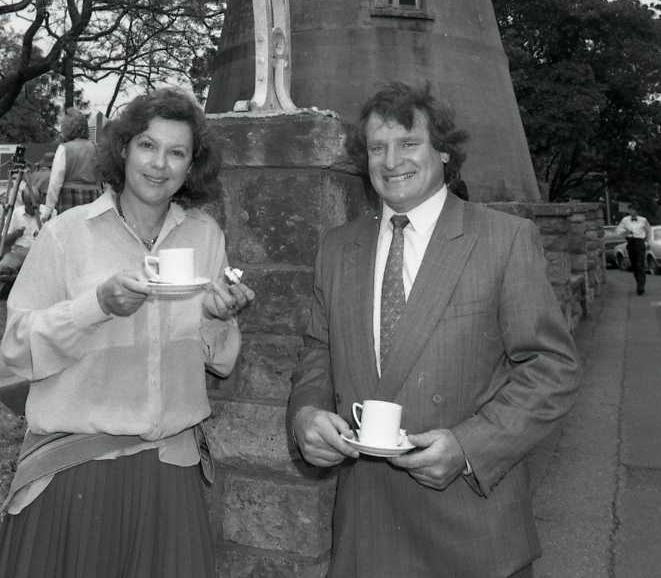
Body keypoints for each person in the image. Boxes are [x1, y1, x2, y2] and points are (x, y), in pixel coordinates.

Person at [288, 81, 580, 578]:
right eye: (377, 147)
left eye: (408, 143)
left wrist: (470, 447)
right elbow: (320, 350)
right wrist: (306, 415)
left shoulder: (503, 240)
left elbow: (551, 369)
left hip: (471, 529)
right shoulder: (337, 248)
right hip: (366, 532)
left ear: (443, 151)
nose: (391, 160)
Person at [0, 87, 254, 578]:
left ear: (191, 165)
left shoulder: (205, 237)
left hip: (169, 472)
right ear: (123, 149)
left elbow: (219, 360)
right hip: (77, 471)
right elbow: (13, 351)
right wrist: (96, 306)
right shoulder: (67, 235)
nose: (159, 164)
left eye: (176, 152)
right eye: (147, 146)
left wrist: (217, 318)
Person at [40, 108, 101, 218]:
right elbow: (101, 178)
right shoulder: (95, 148)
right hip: (93, 198)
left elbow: (55, 182)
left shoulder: (64, 149)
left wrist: (48, 209)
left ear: (67, 127)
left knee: (70, 232)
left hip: (69, 199)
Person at [616, 206, 651, 295]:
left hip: (640, 243)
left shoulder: (643, 220)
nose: (632, 211)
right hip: (630, 243)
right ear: (629, 211)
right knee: (635, 266)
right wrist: (626, 232)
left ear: (637, 211)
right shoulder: (625, 220)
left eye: (634, 210)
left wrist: (647, 242)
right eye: (631, 210)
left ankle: (641, 287)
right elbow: (618, 231)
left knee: (640, 265)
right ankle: (638, 283)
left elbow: (649, 231)